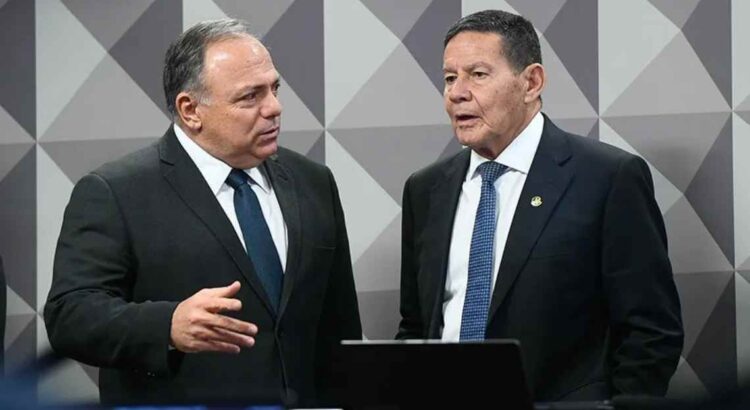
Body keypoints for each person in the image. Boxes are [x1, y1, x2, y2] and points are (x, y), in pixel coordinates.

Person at [44, 19, 361, 407]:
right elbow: (69, 316)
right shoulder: (116, 192)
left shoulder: (313, 181)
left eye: (274, 89)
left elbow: (340, 327)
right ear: (190, 109)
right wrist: (167, 326)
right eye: (250, 97)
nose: (274, 108)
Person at [397, 10, 683, 401]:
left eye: (477, 74)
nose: (457, 93)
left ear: (531, 82)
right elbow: (415, 328)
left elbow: (651, 332)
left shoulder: (607, 178)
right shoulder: (425, 190)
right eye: (450, 78)